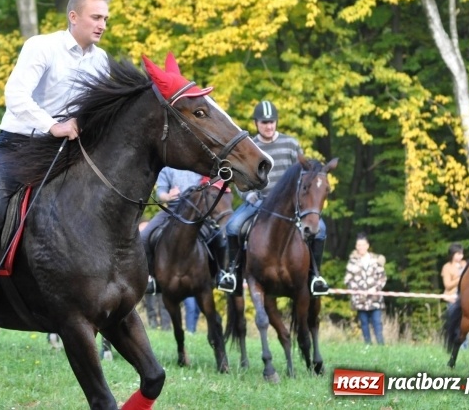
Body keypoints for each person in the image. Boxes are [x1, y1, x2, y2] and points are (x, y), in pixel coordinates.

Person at [0, 0, 112, 342]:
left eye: (106, 18)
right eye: (96, 17)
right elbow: (14, 95)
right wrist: (53, 125)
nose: (102, 24)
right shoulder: (41, 46)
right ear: (73, 17)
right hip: (17, 145)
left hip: (67, 149)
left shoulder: (101, 59)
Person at [220, 100, 329, 296]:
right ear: (256, 123)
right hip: (259, 201)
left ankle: (315, 276)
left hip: (289, 205)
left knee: (320, 230)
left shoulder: (291, 144)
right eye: (264, 122)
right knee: (233, 226)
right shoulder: (250, 146)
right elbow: (241, 179)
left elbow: (303, 176)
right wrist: (249, 195)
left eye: (272, 122)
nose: (269, 126)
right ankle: (233, 275)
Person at [140, 167, 227, 293]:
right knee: (144, 236)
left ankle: (221, 273)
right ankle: (151, 278)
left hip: (196, 210)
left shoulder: (197, 164)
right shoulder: (166, 169)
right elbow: (160, 193)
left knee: (218, 235)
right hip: (172, 209)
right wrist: (169, 196)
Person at [343, 233, 386, 345]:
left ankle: (381, 346)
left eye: (363, 245)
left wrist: (375, 289)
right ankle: (368, 346)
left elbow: (382, 278)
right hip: (360, 300)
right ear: (356, 246)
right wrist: (358, 290)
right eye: (358, 245)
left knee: (377, 322)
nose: (361, 247)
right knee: (364, 323)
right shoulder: (352, 262)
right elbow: (348, 280)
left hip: (375, 299)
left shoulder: (376, 260)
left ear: (367, 245)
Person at [441, 242, 468, 348]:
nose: (460, 256)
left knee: (465, 324)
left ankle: (466, 347)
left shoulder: (465, 264)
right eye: (457, 254)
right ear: (452, 254)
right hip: (452, 299)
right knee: (455, 325)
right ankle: (456, 346)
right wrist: (460, 277)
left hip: (464, 298)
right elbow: (447, 285)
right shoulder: (447, 267)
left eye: (461, 254)